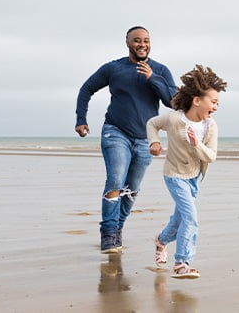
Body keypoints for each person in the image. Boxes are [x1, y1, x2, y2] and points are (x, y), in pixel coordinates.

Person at [75, 26, 177, 254]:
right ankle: (109, 233)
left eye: (146, 40)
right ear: (128, 43)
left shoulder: (160, 70)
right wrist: (81, 118)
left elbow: (173, 101)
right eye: (137, 40)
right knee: (115, 181)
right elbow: (86, 89)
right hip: (115, 132)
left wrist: (154, 78)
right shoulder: (114, 68)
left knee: (132, 190)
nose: (142, 44)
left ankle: (118, 227)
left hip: (145, 138)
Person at [146, 64, 227, 279]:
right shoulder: (174, 119)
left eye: (218, 103)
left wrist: (196, 144)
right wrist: (154, 142)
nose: (216, 107)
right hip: (173, 175)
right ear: (197, 100)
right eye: (214, 102)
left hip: (194, 178)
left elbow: (211, 156)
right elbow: (152, 123)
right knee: (191, 217)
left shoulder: (211, 126)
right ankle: (182, 262)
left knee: (178, 219)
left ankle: (161, 241)